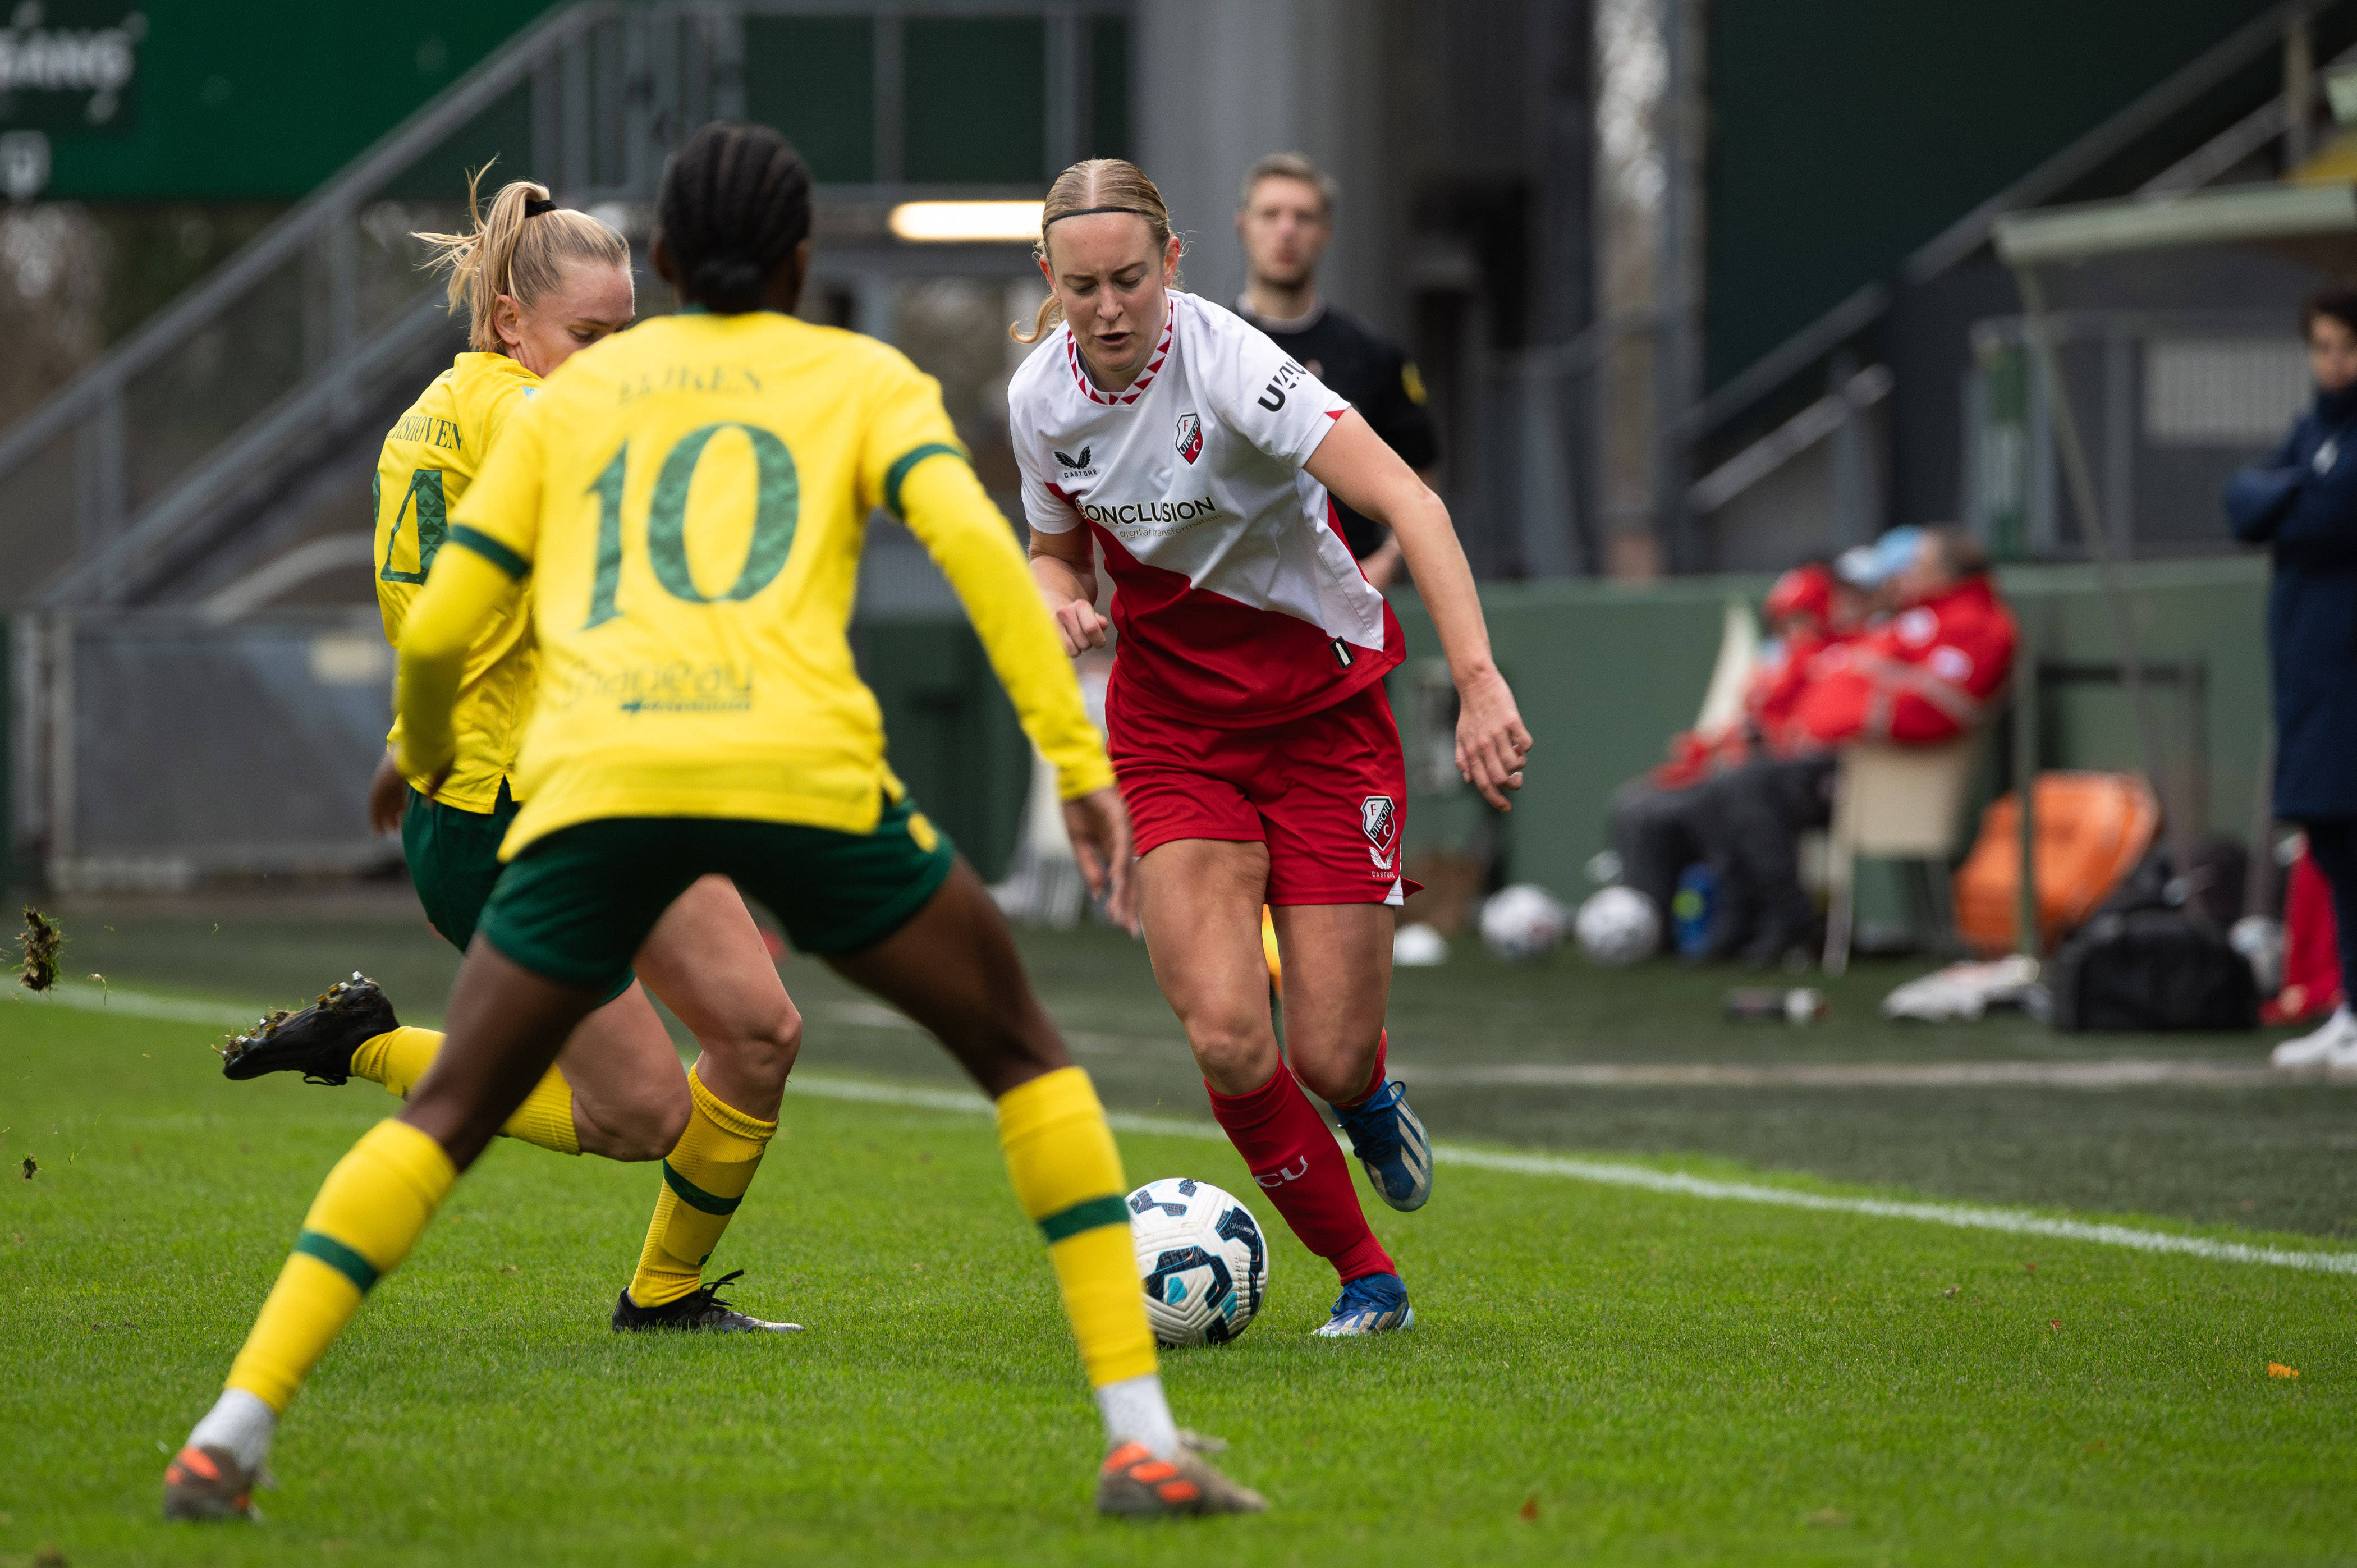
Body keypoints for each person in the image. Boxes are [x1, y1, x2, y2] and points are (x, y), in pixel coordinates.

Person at [163, 123, 1263, 1523]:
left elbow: (445, 621)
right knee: (1027, 1061)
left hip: (600, 776)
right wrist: (1076, 760)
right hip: (802, 776)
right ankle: (1141, 1445)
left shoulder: (573, 403)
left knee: (453, 1116)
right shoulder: (862, 375)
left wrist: (421, 747)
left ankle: (229, 1437)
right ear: (805, 264)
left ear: (670, 267)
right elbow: (991, 563)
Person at [216, 171, 804, 1335]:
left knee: (761, 1030)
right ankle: (372, 1044)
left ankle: (667, 1296)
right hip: (502, 819)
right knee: (639, 1116)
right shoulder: (526, 413)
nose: (611, 358)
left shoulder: (456, 410)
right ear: (508, 324)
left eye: (625, 334)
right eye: (590, 336)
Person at [1010, 158, 1530, 1337]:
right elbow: (1052, 550)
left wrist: (1482, 685)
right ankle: (1368, 1275)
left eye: (1130, 280)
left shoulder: (1236, 363)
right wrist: (1057, 597)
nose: (1107, 308)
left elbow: (1415, 504)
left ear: (1175, 263)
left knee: (1329, 1053)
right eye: (1082, 285)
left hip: (1326, 720)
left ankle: (1368, 1092)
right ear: (1051, 276)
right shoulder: (1038, 397)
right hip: (1173, 731)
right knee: (1232, 1036)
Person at [1689, 526, 2016, 965]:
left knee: (1746, 788)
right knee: (1724, 786)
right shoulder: (1913, 617)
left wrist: (1860, 714)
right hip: (1832, 759)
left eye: (1917, 567)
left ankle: (1795, 922)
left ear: (1949, 573)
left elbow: (1942, 710)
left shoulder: (1978, 626)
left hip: (1878, 770)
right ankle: (1742, 922)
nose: (1903, 577)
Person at [2228, 282, 2357, 1067]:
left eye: (2347, 345)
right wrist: (2293, 495)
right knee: (2335, 844)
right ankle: (2350, 1006)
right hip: (2310, 677)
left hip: (2350, 677)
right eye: (2323, 346)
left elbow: (2333, 514)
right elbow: (2242, 503)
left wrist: (2289, 500)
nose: (2335, 361)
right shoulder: (2312, 429)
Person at [1608, 558, 1860, 957]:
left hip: (1819, 777)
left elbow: (1817, 728)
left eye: (1803, 617)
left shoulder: (1847, 656)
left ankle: (1777, 919)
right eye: (1786, 620)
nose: (1795, 630)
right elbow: (1755, 723)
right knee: (1639, 803)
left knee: (1735, 790)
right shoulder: (1779, 663)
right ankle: (1653, 930)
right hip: (1765, 770)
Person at [1232, 152, 1439, 591]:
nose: (1286, 230)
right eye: (1271, 215)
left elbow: (1420, 475)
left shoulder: (1374, 356)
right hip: (1238, 603)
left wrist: (1386, 561)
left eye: (1303, 217)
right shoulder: (1207, 348)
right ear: (1243, 226)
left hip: (1350, 608)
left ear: (1324, 232)